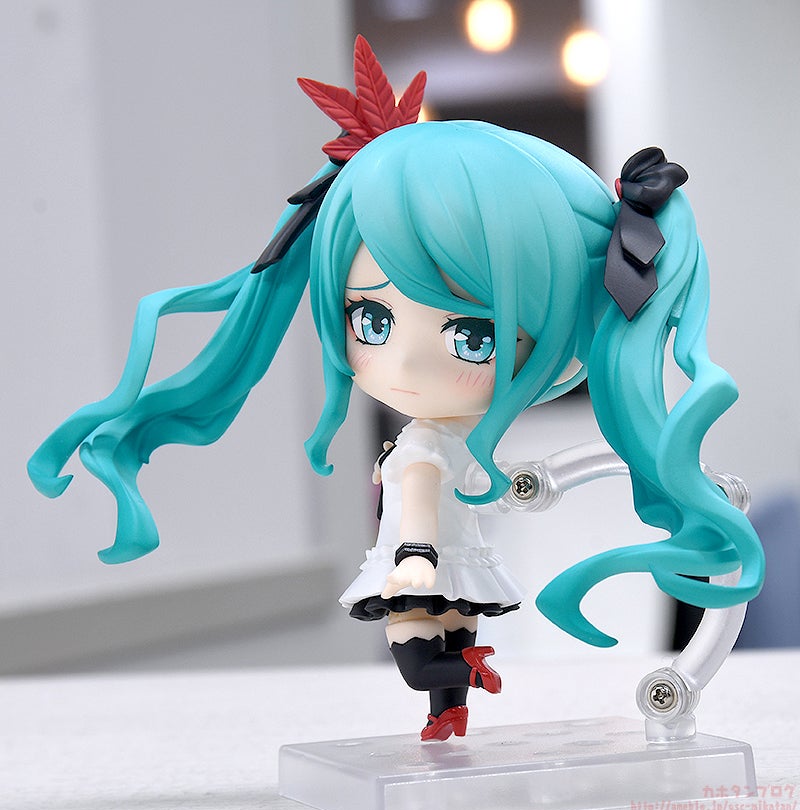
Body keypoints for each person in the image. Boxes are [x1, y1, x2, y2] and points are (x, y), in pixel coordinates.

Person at [28, 37, 764, 741]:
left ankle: (458, 687)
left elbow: (434, 494)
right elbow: (436, 493)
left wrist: (424, 550)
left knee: (427, 648)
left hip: (435, 558)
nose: (405, 365)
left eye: (471, 336)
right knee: (437, 644)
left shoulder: (433, 447)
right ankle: (455, 695)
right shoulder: (433, 444)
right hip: (440, 557)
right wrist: (429, 545)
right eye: (371, 321)